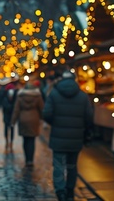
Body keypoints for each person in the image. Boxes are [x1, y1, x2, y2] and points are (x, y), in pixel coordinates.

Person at [42, 71, 94, 201]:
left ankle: (60, 192)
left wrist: (55, 123)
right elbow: (89, 117)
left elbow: (46, 113)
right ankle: (70, 190)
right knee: (72, 165)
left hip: (58, 136)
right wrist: (86, 131)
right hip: (76, 137)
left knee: (58, 166)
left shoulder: (54, 94)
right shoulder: (82, 96)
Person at [10, 80, 44, 167]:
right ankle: (31, 160)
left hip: (23, 120)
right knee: (32, 140)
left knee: (25, 140)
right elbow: (42, 109)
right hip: (34, 120)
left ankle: (27, 159)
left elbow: (16, 110)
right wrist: (43, 119)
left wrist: (13, 121)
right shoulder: (37, 96)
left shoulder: (20, 96)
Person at [1, 82, 17, 151]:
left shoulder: (5, 98)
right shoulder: (14, 98)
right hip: (10, 116)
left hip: (8, 116)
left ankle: (9, 141)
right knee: (10, 129)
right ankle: (9, 141)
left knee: (8, 129)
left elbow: (4, 108)